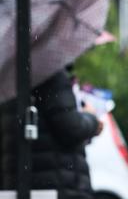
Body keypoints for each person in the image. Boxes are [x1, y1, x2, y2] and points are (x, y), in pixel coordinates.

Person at [0, 68, 103, 199]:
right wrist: (91, 118)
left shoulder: (8, 79)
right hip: (59, 185)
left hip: (19, 184)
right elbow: (72, 128)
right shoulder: (51, 75)